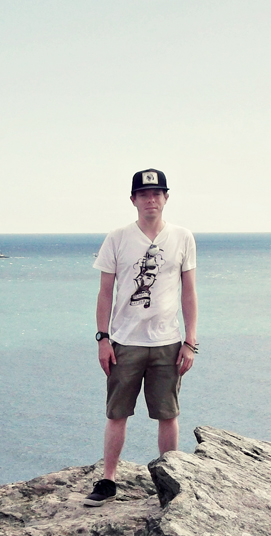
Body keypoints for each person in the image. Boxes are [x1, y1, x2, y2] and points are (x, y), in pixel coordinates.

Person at [84, 168, 198, 507]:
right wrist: (103, 339)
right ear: (133, 199)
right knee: (117, 413)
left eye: (157, 193)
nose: (151, 199)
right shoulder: (117, 238)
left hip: (167, 342)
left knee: (168, 414)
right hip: (125, 341)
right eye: (144, 194)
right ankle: (108, 480)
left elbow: (188, 292)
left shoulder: (182, 237)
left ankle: (171, 481)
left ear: (166, 198)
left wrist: (190, 341)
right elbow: (105, 292)